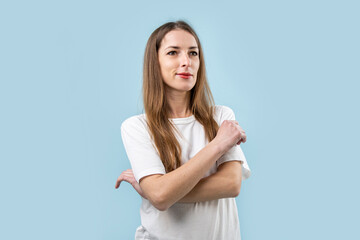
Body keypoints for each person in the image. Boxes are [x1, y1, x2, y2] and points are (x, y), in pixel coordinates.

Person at [115, 20, 251, 240]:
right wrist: (218, 144)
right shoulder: (136, 127)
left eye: (193, 53)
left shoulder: (221, 117)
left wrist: (159, 190)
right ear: (155, 62)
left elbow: (231, 184)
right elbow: (160, 195)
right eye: (173, 53)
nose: (186, 62)